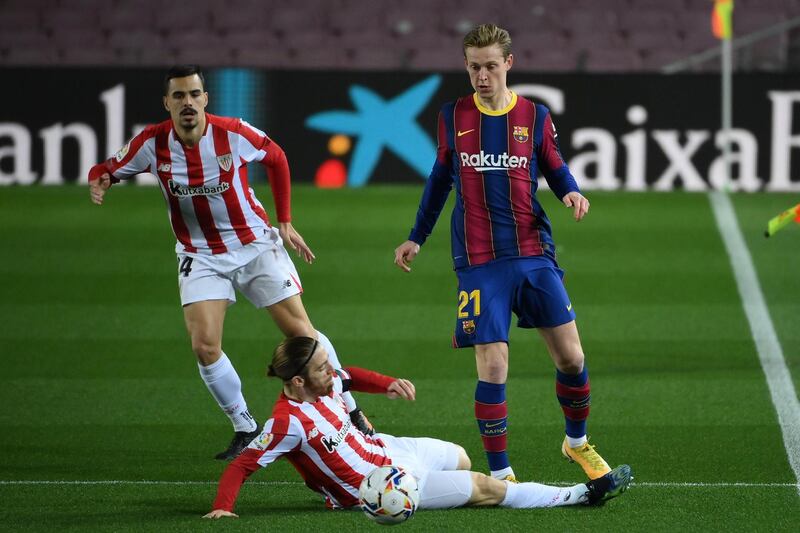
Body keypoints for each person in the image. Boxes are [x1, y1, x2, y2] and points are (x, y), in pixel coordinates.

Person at [88, 64, 372, 460]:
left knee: (302, 335)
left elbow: (276, 157)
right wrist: (99, 178)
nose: (188, 103)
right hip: (200, 254)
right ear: (166, 103)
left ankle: (350, 411)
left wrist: (285, 220)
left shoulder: (233, 133)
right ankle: (245, 426)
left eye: (194, 94)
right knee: (205, 346)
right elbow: (107, 168)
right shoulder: (152, 143)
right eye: (179, 96)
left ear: (206, 98)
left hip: (254, 244)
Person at [393, 24, 607, 483]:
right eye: (474, 67)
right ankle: (500, 472)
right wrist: (417, 235)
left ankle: (577, 443)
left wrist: (570, 192)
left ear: (509, 63)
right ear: (466, 66)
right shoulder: (453, 115)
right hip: (478, 261)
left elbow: (554, 162)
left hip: (532, 251)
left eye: (491, 65)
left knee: (571, 358)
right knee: (493, 363)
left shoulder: (534, 114)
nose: (483, 76)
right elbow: (439, 179)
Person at [203, 337, 631, 518]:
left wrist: (387, 383)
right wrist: (223, 507)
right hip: (380, 487)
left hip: (389, 450)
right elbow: (241, 465)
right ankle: (579, 495)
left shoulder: (326, 383)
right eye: (320, 368)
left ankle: (482, 493)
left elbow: (349, 372)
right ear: (297, 382)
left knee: (462, 455)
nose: (330, 372)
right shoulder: (285, 423)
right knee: (485, 486)